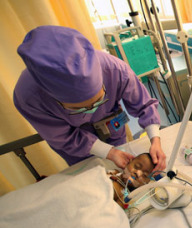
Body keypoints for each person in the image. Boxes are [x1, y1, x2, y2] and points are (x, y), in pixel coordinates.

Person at [13, 25, 167, 172]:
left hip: (112, 125)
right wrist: (108, 152)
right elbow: (62, 137)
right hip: (76, 147)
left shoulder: (115, 70)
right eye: (78, 108)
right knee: (93, 175)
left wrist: (155, 139)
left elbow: (144, 105)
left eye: (98, 100)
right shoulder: (29, 97)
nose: (92, 109)